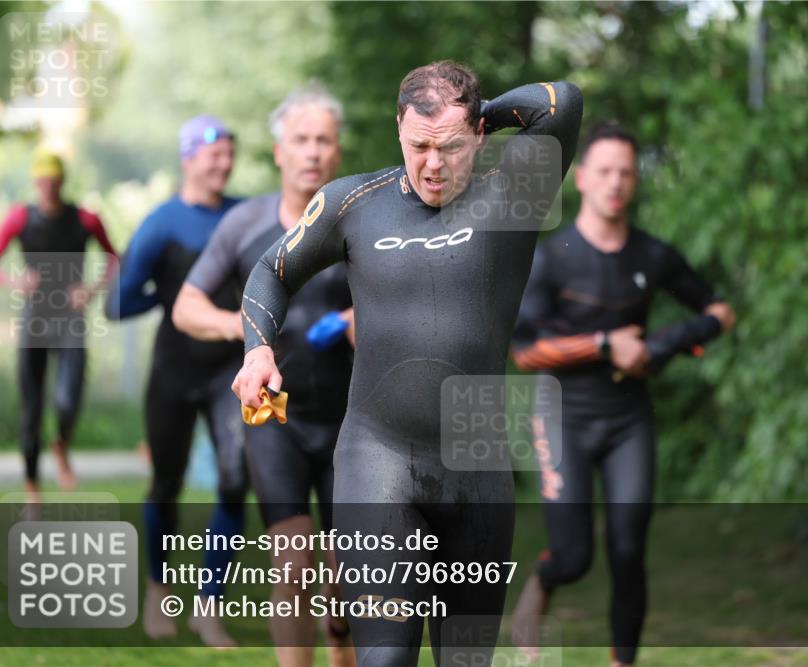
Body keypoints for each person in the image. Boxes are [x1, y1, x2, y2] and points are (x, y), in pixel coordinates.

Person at [231, 61, 582, 666]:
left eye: (450, 147)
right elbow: (272, 270)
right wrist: (258, 347)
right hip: (379, 459)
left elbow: (563, 102)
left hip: (478, 465)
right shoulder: (353, 203)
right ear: (399, 131)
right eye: (419, 145)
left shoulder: (515, 195)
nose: (433, 165)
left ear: (477, 136)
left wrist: (475, 114)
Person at [509, 122, 736, 666]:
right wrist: (604, 343)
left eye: (626, 173)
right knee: (575, 557)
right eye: (605, 171)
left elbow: (719, 311)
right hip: (563, 416)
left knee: (629, 549)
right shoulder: (552, 256)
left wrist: (660, 349)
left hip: (629, 419)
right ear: (582, 178)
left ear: (635, 182)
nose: (615, 182)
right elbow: (524, 351)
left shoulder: (653, 256)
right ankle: (543, 581)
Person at [172, 84, 355, 667]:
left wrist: (358, 318)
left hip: (352, 419)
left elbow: (409, 298)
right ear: (279, 151)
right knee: (294, 562)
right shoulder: (244, 225)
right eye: (300, 139)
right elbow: (185, 307)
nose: (312, 151)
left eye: (323, 140)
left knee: (347, 580)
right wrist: (251, 334)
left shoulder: (360, 223)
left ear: (338, 151)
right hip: (273, 414)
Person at [106, 115, 247, 647]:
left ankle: (208, 607)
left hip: (228, 371)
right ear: (188, 158)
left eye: (230, 155)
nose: (224, 164)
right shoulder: (162, 221)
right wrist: (169, 298)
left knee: (235, 481)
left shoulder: (242, 214)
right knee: (166, 483)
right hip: (172, 372)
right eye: (215, 155)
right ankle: (158, 594)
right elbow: (118, 302)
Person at [0, 149, 117, 503]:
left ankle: (62, 445)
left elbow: (115, 258)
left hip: (70, 319)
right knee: (32, 407)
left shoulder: (85, 219)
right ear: (35, 183)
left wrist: (91, 289)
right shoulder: (20, 218)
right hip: (35, 319)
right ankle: (32, 490)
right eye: (42, 183)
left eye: (54, 182)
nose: (48, 189)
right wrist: (13, 281)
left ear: (62, 182)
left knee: (68, 400)